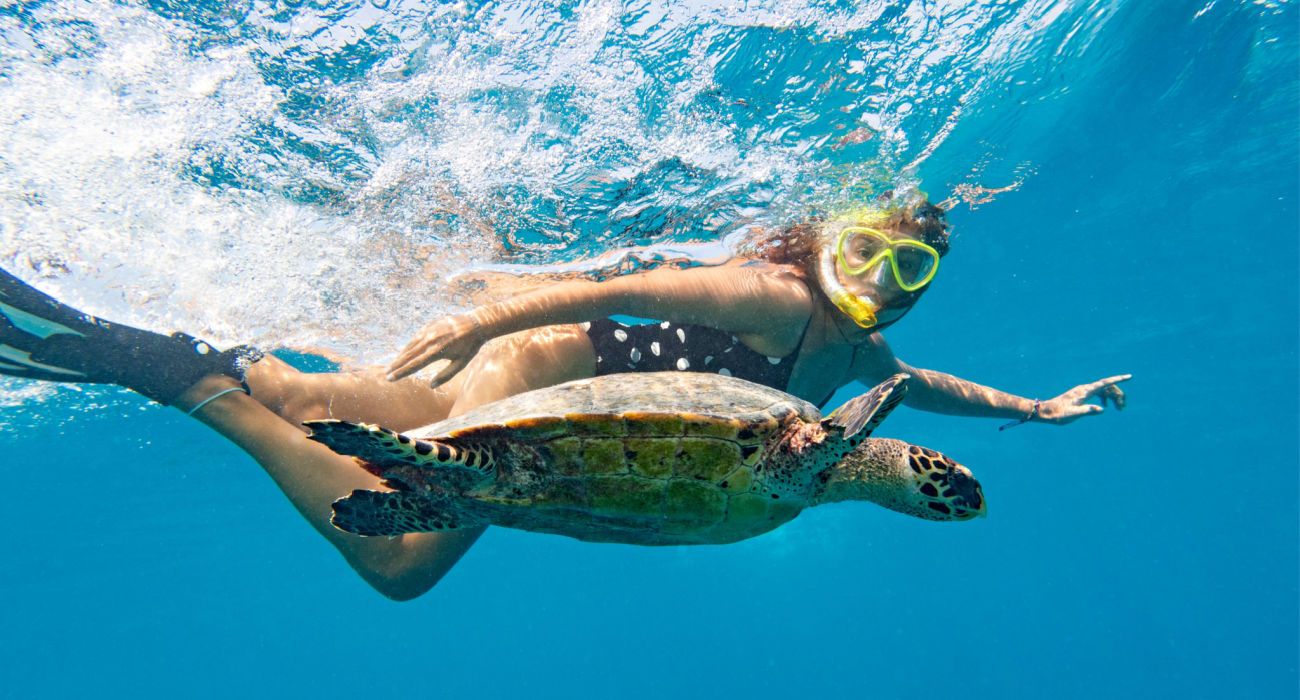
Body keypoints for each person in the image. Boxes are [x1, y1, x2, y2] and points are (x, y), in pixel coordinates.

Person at [0, 200, 1129, 600]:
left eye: (912, 271)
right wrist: (480, 318)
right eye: (872, 247)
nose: (882, 277)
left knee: (317, 390)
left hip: (571, 384)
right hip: (548, 371)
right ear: (831, 237)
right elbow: (616, 285)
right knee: (399, 559)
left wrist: (1035, 409)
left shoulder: (847, 361)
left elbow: (911, 384)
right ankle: (188, 380)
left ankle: (196, 347)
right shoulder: (778, 297)